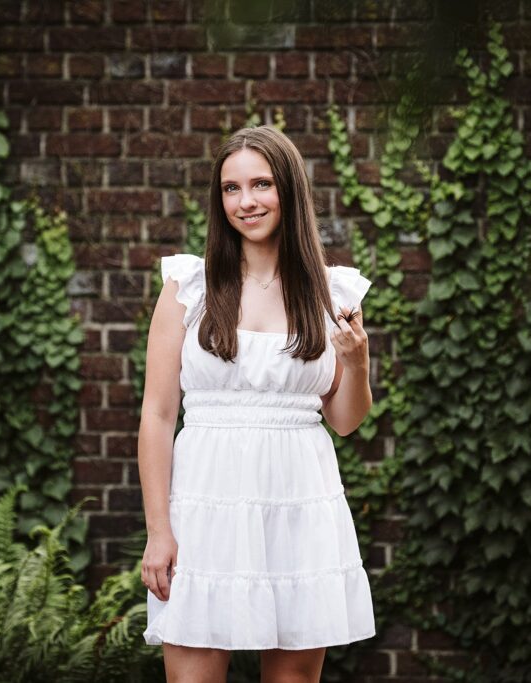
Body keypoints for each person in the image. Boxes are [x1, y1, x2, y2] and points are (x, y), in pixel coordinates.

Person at [137, 124, 377, 682]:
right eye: (230, 188)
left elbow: (344, 421)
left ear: (289, 191)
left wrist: (359, 364)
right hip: (205, 508)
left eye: (261, 184)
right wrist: (158, 530)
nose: (245, 202)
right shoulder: (187, 289)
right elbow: (156, 415)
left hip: (300, 505)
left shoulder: (332, 294)